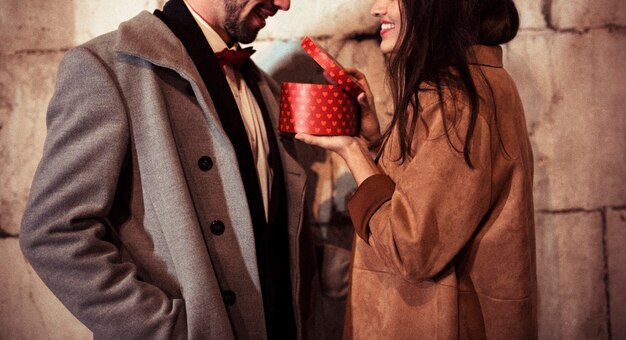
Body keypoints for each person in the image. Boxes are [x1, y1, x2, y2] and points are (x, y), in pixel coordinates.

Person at [19, 0, 322, 338]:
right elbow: (54, 233)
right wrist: (171, 330)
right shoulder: (105, 68)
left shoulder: (263, 87)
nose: (284, 3)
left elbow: (272, 238)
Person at [295, 0, 537, 338]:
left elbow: (410, 248)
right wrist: (374, 143)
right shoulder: (480, 82)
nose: (376, 9)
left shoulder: (455, 100)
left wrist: (353, 151)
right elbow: (433, 200)